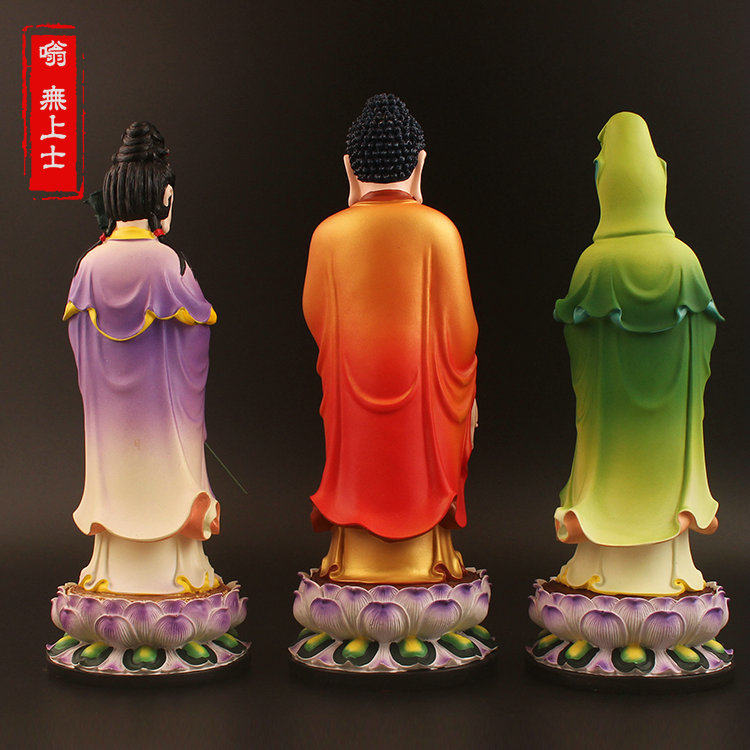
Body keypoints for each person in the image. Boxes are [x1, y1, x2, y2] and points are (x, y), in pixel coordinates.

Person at [303, 94, 479, 584]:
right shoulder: (440, 230)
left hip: (352, 393)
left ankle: (354, 563)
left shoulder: (327, 235)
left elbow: (315, 315)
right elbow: (463, 331)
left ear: (349, 170)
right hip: (425, 407)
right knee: (430, 457)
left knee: (357, 463)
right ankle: (425, 562)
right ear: (419, 167)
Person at [553, 112, 722, 595]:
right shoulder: (685, 262)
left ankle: (601, 578)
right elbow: (702, 351)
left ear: (603, 181)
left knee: (601, 434)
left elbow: (581, 354)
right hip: (668, 436)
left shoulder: (596, 264)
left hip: (612, 436)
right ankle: (666, 580)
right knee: (673, 433)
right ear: (658, 176)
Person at [64, 122, 222, 594]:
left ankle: (114, 580)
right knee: (167, 475)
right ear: (164, 199)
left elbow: (80, 345)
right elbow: (197, 338)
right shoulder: (168, 264)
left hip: (110, 430)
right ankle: (174, 582)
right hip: (163, 430)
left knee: (113, 467)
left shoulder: (88, 266)